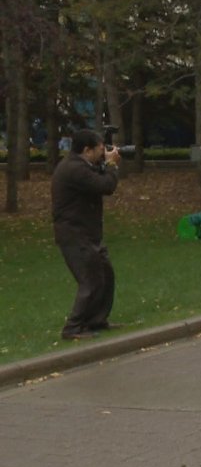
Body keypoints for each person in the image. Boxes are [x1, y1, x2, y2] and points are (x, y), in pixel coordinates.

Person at [53, 129, 122, 340]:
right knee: (90, 279)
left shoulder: (82, 165)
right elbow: (105, 186)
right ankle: (72, 327)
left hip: (88, 232)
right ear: (87, 150)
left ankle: (96, 320)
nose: (104, 152)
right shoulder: (74, 169)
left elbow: (97, 180)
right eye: (101, 148)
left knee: (106, 275)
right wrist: (111, 165)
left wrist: (105, 165)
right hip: (74, 233)